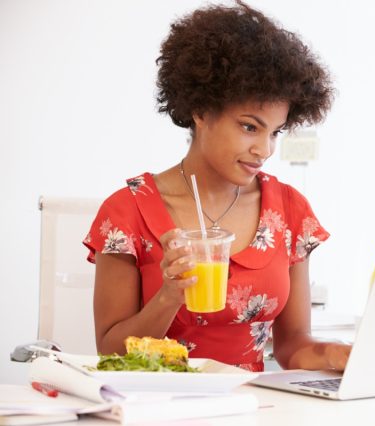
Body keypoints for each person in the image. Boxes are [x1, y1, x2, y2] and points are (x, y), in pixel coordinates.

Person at [83, 1, 351, 372]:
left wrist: (341, 355)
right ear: (202, 110)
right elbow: (110, 353)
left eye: (275, 132)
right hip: (159, 407)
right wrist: (170, 295)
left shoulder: (289, 210)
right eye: (249, 127)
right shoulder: (126, 213)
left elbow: (292, 346)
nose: (265, 150)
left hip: (252, 408)